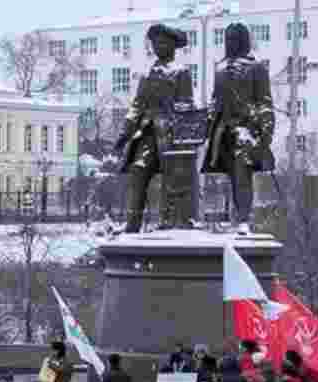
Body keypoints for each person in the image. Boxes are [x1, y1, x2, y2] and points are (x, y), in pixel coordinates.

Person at [115, 23, 194, 232]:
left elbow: (187, 105)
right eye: (154, 43)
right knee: (137, 169)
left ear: (172, 46)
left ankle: (168, 220)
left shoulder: (181, 72)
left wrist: (171, 111)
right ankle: (132, 223)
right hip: (147, 133)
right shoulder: (148, 73)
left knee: (171, 175)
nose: (157, 47)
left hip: (170, 136)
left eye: (161, 43)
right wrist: (125, 132)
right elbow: (137, 105)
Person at [202, 22, 276, 234]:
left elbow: (264, 103)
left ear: (244, 41)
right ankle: (220, 219)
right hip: (222, 131)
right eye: (228, 40)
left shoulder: (257, 68)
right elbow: (215, 101)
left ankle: (243, 219)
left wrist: (266, 135)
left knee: (241, 172)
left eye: (235, 39)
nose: (231, 43)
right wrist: (207, 123)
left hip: (246, 130)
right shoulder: (220, 68)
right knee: (226, 175)